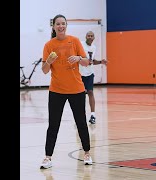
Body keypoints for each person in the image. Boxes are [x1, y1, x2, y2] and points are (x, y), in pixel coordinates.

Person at [40, 14, 93, 169]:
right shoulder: (49, 45)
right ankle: (47, 157)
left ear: (66, 25)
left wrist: (78, 58)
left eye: (63, 23)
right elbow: (44, 71)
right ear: (54, 26)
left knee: (81, 122)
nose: (61, 26)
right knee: (53, 125)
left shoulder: (74, 41)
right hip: (56, 90)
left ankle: (87, 153)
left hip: (76, 90)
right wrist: (48, 62)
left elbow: (86, 62)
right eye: (58, 24)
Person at [79, 31, 108, 124]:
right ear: (85, 36)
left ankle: (93, 115)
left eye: (91, 36)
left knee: (90, 92)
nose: (90, 37)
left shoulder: (94, 47)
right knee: (80, 95)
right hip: (80, 73)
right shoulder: (81, 44)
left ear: (94, 38)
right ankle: (80, 116)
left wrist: (100, 62)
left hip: (89, 73)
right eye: (88, 35)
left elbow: (92, 61)